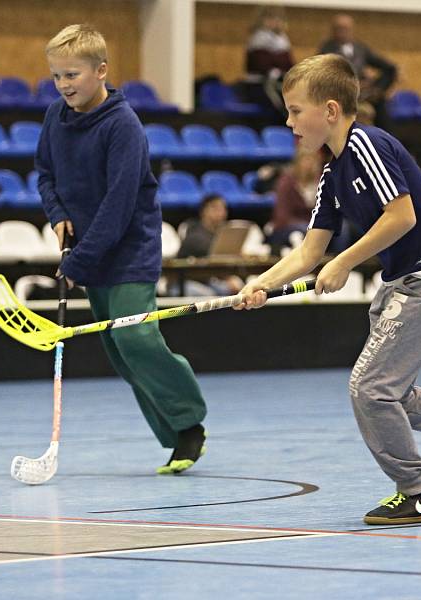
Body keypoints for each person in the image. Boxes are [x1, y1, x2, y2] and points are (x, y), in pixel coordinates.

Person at [236, 54, 421, 525]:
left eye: (296, 110)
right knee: (393, 396)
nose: (289, 121)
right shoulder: (331, 173)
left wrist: (343, 262)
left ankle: (417, 492)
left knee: (369, 390)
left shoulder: (367, 145)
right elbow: (307, 253)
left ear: (331, 110)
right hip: (398, 286)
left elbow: (402, 216)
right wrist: (259, 284)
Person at [35, 24, 207, 474]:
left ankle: (191, 423)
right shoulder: (55, 116)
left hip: (129, 250)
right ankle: (176, 436)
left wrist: (78, 263)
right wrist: (57, 216)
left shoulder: (123, 125)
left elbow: (119, 203)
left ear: (101, 71)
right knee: (119, 350)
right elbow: (44, 174)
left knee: (136, 337)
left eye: (72, 74)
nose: (64, 84)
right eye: (56, 76)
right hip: (88, 251)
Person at [318, 14, 397, 129]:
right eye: (338, 28)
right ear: (333, 30)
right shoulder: (326, 49)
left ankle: (385, 142)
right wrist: (354, 84)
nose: (342, 32)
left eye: (345, 29)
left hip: (364, 94)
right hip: (341, 95)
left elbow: (388, 68)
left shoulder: (360, 48)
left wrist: (377, 88)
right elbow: (322, 76)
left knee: (381, 107)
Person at [176, 193, 245, 296]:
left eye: (223, 208)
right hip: (183, 282)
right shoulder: (194, 233)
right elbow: (213, 255)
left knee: (237, 289)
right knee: (209, 295)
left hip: (208, 280)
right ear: (204, 211)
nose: (221, 213)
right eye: (215, 208)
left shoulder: (220, 233)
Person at [243, 6, 294, 116]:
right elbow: (261, 64)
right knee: (278, 101)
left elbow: (288, 63)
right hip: (259, 83)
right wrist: (276, 64)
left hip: (277, 81)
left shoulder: (283, 39)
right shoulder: (257, 38)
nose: (275, 21)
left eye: (278, 18)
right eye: (270, 17)